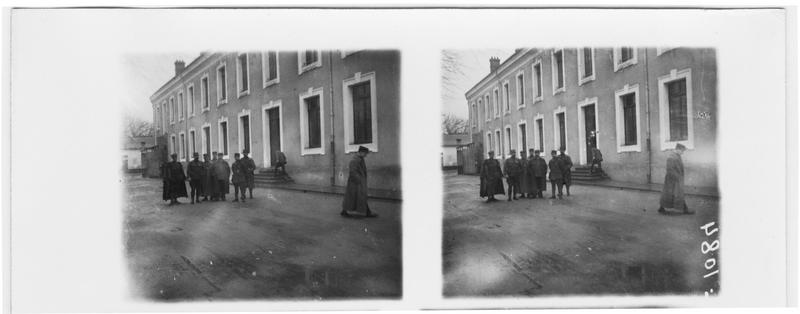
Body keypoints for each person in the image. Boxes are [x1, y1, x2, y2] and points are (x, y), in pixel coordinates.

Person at [341, 146, 378, 218]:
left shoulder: (360, 159)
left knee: (354, 198)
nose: (366, 155)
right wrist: (359, 180)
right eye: (365, 154)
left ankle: (345, 211)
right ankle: (367, 212)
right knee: (355, 197)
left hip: (357, 183)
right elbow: (352, 172)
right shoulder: (355, 160)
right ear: (361, 152)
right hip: (355, 183)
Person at [659, 143, 693, 215]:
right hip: (672, 179)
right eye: (682, 151)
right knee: (677, 194)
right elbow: (670, 169)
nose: (683, 153)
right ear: (677, 149)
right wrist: (677, 178)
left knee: (669, 194)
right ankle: (685, 209)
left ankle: (661, 208)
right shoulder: (671, 157)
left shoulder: (677, 155)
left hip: (675, 179)